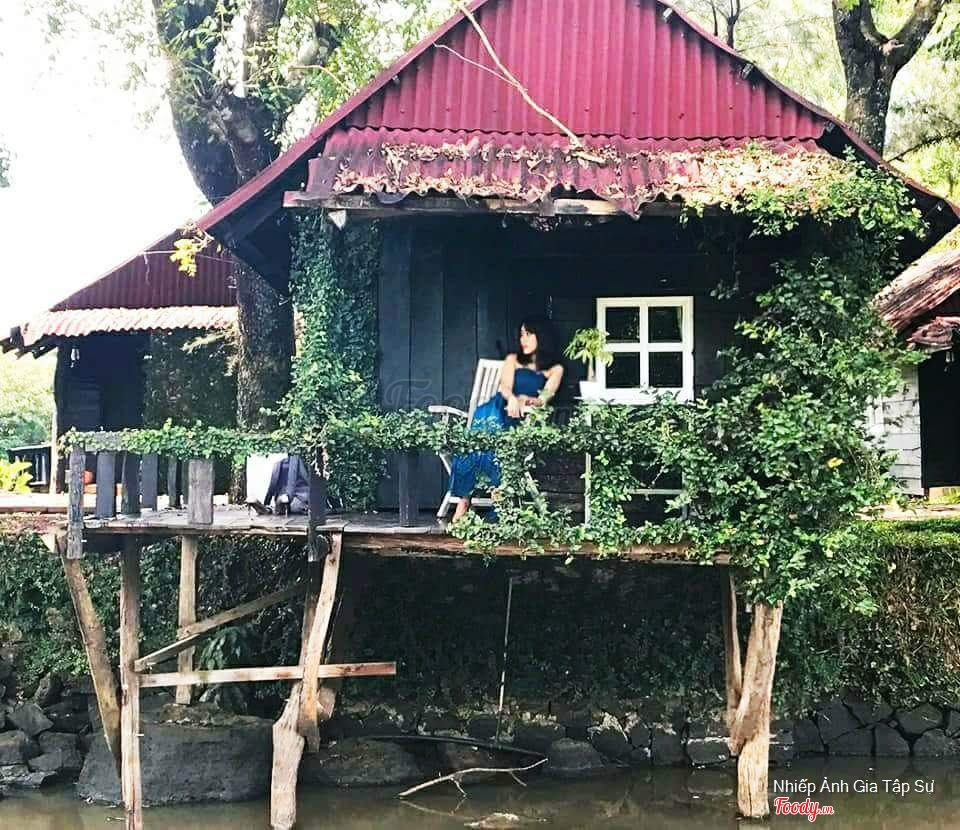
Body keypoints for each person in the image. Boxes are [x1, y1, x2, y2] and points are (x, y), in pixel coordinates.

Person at [448, 316, 564, 522]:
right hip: (496, 409)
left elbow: (544, 398)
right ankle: (466, 501)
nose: (523, 340)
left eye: (528, 334)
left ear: (542, 336)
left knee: (492, 442)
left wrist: (527, 400)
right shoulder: (513, 360)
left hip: (521, 422)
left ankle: (490, 499)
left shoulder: (555, 369)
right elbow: (505, 387)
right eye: (521, 335)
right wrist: (512, 399)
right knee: (479, 439)